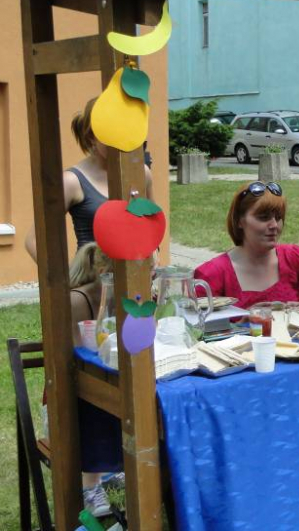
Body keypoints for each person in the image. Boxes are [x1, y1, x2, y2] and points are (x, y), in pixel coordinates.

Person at [24, 97, 155, 261]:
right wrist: (66, 283)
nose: (120, 140)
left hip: (136, 283)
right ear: (91, 136)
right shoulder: (71, 181)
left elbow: (152, 226)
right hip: (91, 284)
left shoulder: (142, 173)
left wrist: (154, 256)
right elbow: (34, 241)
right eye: (111, 134)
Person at [195, 181, 299, 311]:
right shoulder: (211, 274)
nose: (274, 225)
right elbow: (198, 328)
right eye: (263, 217)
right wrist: (244, 322)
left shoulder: (295, 257)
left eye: (278, 217)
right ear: (240, 221)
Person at [63, 242, 123, 517]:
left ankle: (121, 465)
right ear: (102, 271)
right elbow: (75, 365)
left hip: (113, 382)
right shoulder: (78, 300)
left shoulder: (129, 297)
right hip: (73, 395)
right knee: (93, 400)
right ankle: (90, 483)